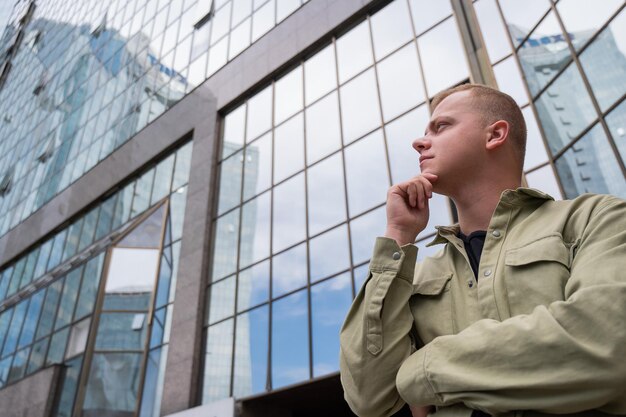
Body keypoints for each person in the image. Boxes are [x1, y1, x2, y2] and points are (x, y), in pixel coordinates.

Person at [339, 84, 626, 417]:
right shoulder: (416, 277)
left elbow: (606, 345)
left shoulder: (595, 218)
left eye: (440, 126)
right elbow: (368, 398)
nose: (419, 142)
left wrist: (421, 370)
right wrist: (399, 234)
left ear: (495, 135)